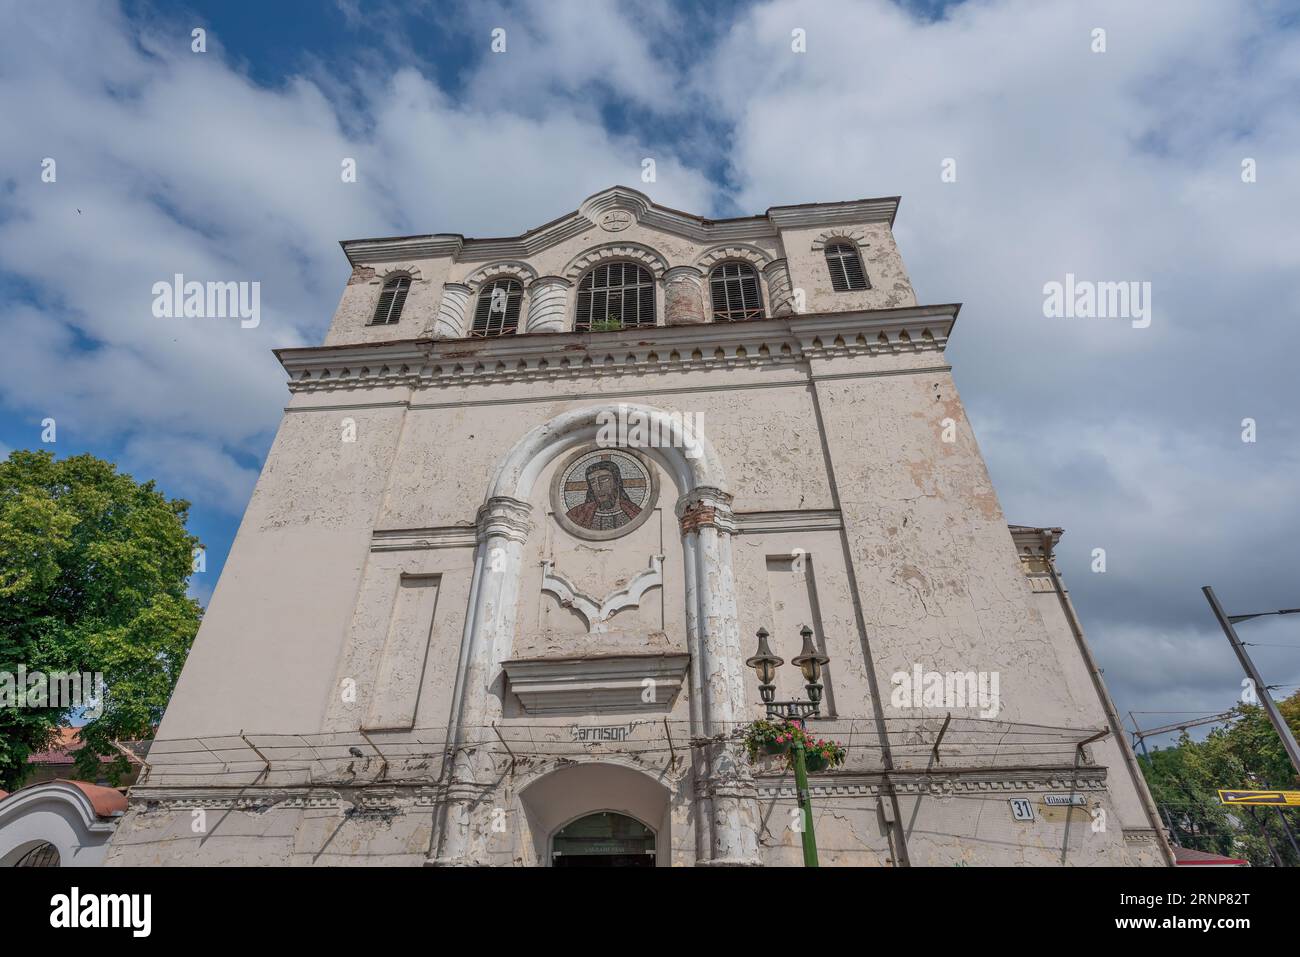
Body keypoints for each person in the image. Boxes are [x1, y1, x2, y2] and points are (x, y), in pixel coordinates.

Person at [566, 460, 641, 531]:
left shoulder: (635, 512)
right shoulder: (578, 514)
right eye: (593, 482)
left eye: (604, 479)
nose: (598, 487)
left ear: (617, 481)